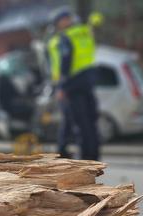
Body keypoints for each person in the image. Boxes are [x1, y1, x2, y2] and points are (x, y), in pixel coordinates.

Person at [47, 7, 100, 160]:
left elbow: (65, 62)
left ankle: (85, 158)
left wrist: (62, 86)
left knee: (80, 124)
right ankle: (89, 157)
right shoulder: (83, 33)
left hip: (71, 85)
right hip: (85, 82)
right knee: (87, 123)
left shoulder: (65, 37)